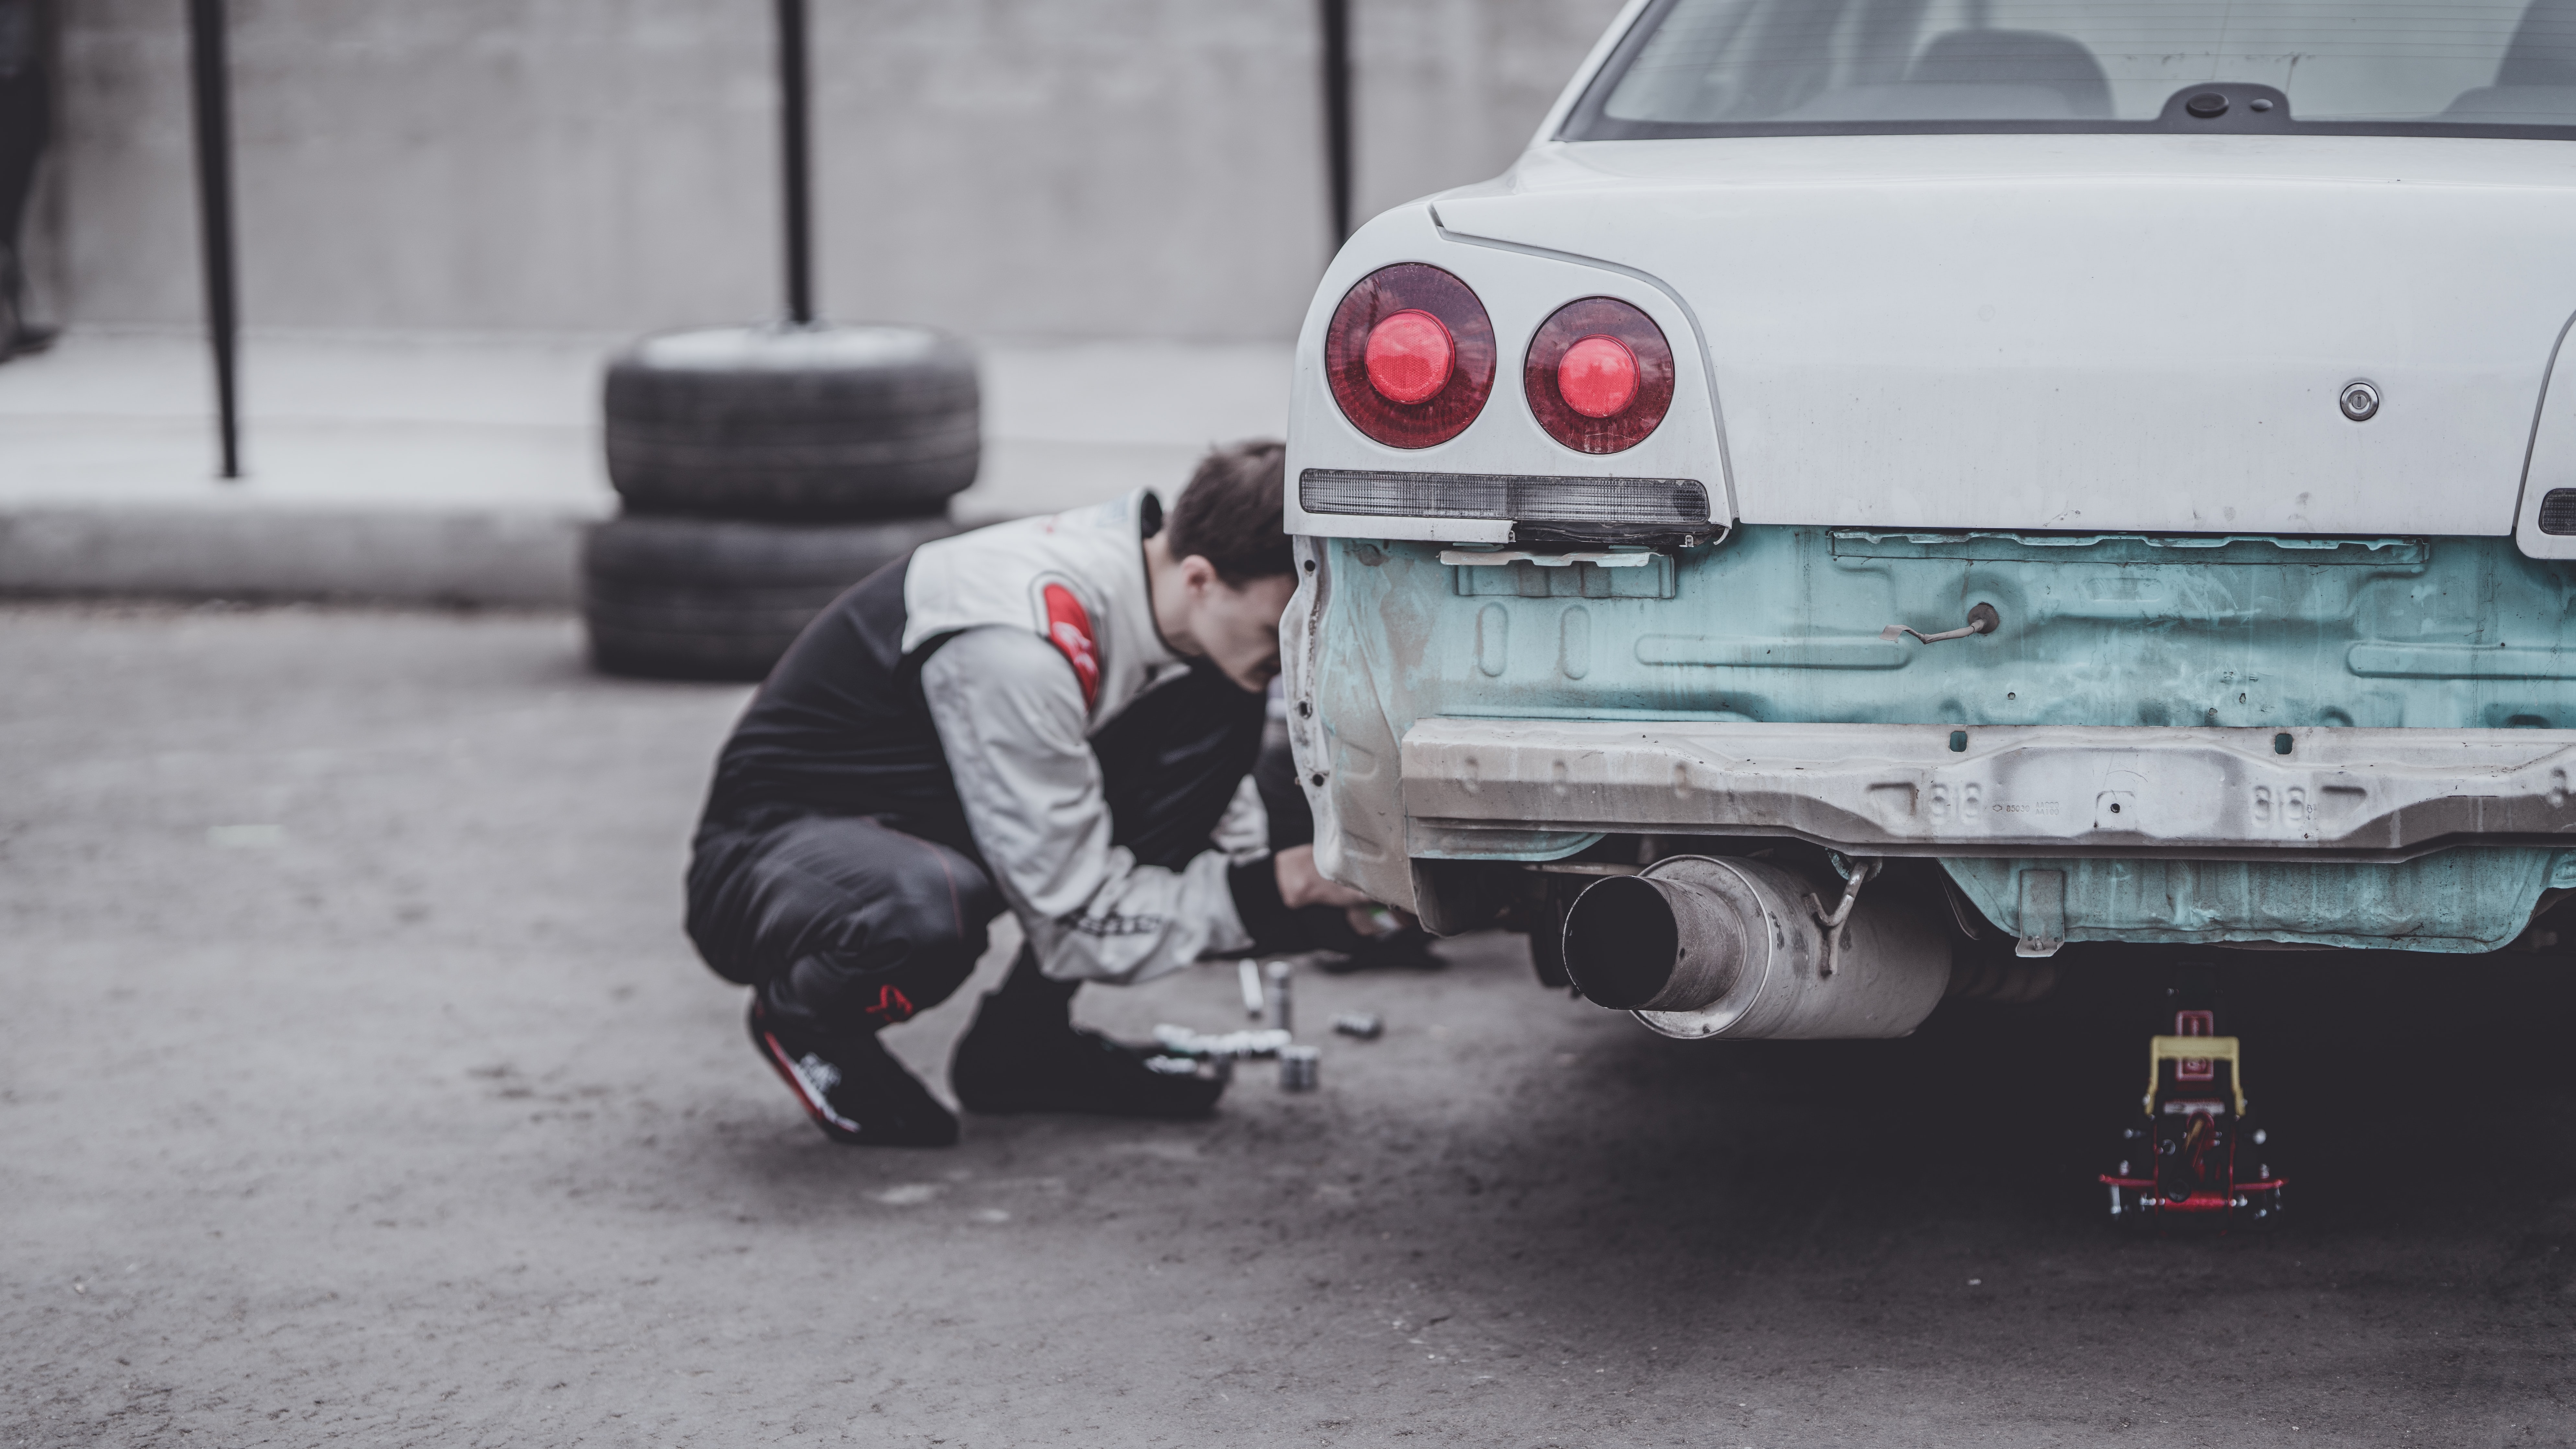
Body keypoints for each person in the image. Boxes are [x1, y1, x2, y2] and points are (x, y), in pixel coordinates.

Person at [685, 439, 1370, 1146]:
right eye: (1276, 632)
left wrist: (1319, 897)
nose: (1296, 665)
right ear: (1200, 577)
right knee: (928, 910)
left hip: (933, 807)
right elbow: (1077, 917)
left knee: (1221, 696)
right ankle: (806, 1014)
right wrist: (1273, 892)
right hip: (773, 861)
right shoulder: (1022, 645)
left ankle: (1022, 1048)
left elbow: (1216, 841)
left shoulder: (1154, 582)